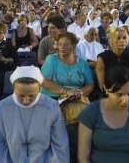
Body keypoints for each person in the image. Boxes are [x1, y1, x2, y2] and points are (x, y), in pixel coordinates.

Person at [0, 66, 69, 163]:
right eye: (21, 95)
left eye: (31, 95)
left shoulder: (51, 107)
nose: (26, 100)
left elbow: (59, 145)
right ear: (13, 89)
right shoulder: (1, 108)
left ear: (39, 89)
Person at [78, 66, 129, 163]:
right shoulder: (91, 113)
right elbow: (83, 158)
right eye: (119, 95)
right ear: (106, 89)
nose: (125, 100)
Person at [41, 31, 94, 162]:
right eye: (59, 44)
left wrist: (79, 93)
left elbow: (90, 85)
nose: (62, 47)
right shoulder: (51, 59)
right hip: (53, 99)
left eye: (66, 44)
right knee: (67, 129)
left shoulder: (81, 62)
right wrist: (66, 91)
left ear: (74, 46)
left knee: (83, 125)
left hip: (77, 100)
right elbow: (45, 82)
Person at [96, 27, 129, 99]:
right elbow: (101, 86)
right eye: (118, 38)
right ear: (111, 40)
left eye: (124, 38)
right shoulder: (102, 58)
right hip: (106, 95)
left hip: (124, 94)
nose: (122, 41)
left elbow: (128, 81)